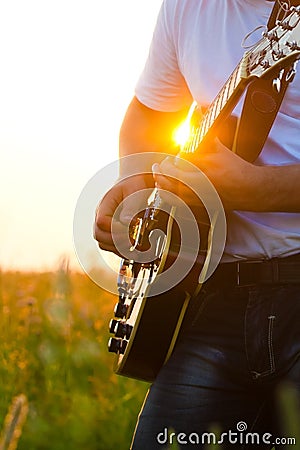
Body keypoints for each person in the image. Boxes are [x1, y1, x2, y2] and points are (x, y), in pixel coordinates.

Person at [94, 0, 300, 448]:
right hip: (217, 296)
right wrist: (138, 187)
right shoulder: (187, 7)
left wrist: (261, 188)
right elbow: (148, 116)